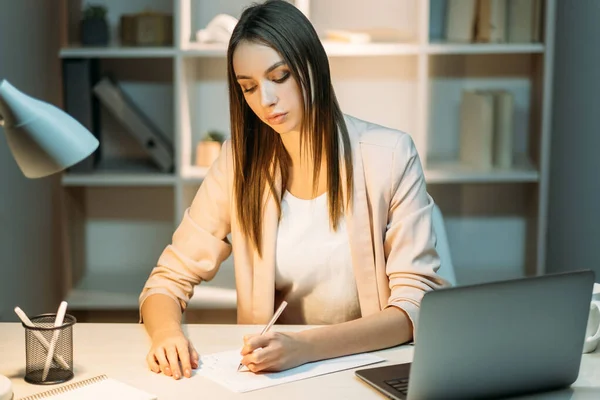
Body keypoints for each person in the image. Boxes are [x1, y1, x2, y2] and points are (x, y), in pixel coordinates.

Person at [139, 0, 447, 381]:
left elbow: (414, 309)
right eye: (248, 88)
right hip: (273, 377)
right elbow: (167, 279)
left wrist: (306, 348)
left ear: (312, 65)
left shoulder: (389, 155)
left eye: (279, 76)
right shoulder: (239, 163)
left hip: (368, 368)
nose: (264, 100)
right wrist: (167, 335)